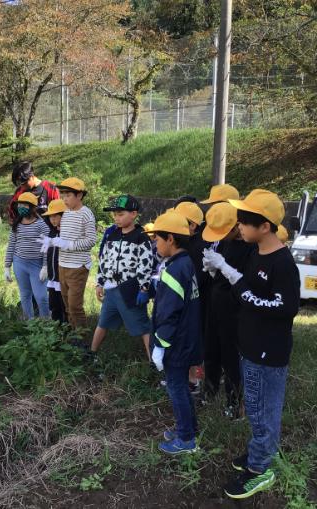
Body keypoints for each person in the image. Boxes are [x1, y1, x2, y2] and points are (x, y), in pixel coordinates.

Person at [202, 189, 300, 499]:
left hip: (268, 350)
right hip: (250, 344)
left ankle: (261, 468)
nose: (239, 226)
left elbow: (284, 308)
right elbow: (245, 294)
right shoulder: (257, 252)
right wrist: (223, 274)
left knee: (262, 410)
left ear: (265, 226)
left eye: (244, 221)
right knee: (256, 403)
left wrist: (236, 281)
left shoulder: (282, 264)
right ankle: (258, 450)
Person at [148, 211, 202, 455]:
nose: (154, 244)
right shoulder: (186, 263)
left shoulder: (172, 271)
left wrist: (160, 344)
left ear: (170, 238)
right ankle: (188, 427)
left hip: (175, 341)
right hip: (188, 337)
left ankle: (186, 438)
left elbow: (168, 313)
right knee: (181, 385)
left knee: (176, 387)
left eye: (157, 238)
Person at [202, 203, 256, 419]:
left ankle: (234, 402)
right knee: (211, 348)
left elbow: (247, 283)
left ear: (236, 226)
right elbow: (220, 275)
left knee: (231, 355)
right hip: (215, 303)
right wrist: (212, 268)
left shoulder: (252, 248)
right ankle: (209, 390)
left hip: (235, 309)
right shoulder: (227, 243)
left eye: (224, 232)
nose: (222, 237)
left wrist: (223, 266)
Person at [90, 195, 154, 360]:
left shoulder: (141, 237)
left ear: (133, 214)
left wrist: (143, 288)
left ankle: (153, 362)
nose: (116, 218)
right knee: (103, 322)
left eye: (120, 214)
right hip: (111, 289)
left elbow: (145, 265)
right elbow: (104, 260)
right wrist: (100, 283)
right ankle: (92, 353)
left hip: (129, 290)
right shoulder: (112, 235)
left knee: (142, 327)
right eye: (114, 215)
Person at [40, 177, 97, 333]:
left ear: (79, 195)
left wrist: (69, 245)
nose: (64, 199)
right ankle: (72, 335)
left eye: (68, 195)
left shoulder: (86, 214)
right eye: (62, 195)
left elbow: (92, 240)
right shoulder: (65, 214)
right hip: (62, 265)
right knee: (66, 305)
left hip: (78, 267)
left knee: (75, 306)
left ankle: (82, 338)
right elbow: (63, 237)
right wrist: (53, 241)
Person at [174, 201, 208, 395]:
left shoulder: (198, 246)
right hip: (185, 299)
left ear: (193, 225)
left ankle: (194, 380)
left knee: (194, 339)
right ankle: (186, 376)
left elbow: (198, 277)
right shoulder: (185, 243)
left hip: (196, 301)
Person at [4, 192, 51, 319]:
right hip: (19, 264)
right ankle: (29, 324)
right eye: (19, 204)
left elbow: (47, 246)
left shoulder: (41, 225)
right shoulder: (17, 224)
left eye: (24, 204)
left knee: (41, 297)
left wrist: (45, 266)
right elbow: (11, 245)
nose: (21, 207)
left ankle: (46, 323)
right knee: (25, 295)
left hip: (37, 265)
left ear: (33, 207)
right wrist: (7, 266)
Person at [42, 199, 68, 322]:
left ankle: (68, 332)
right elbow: (46, 253)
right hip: (52, 278)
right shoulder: (51, 233)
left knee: (65, 306)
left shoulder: (68, 234)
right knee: (54, 305)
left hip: (64, 277)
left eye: (56, 216)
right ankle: (56, 332)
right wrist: (45, 267)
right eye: (50, 216)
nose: (52, 219)